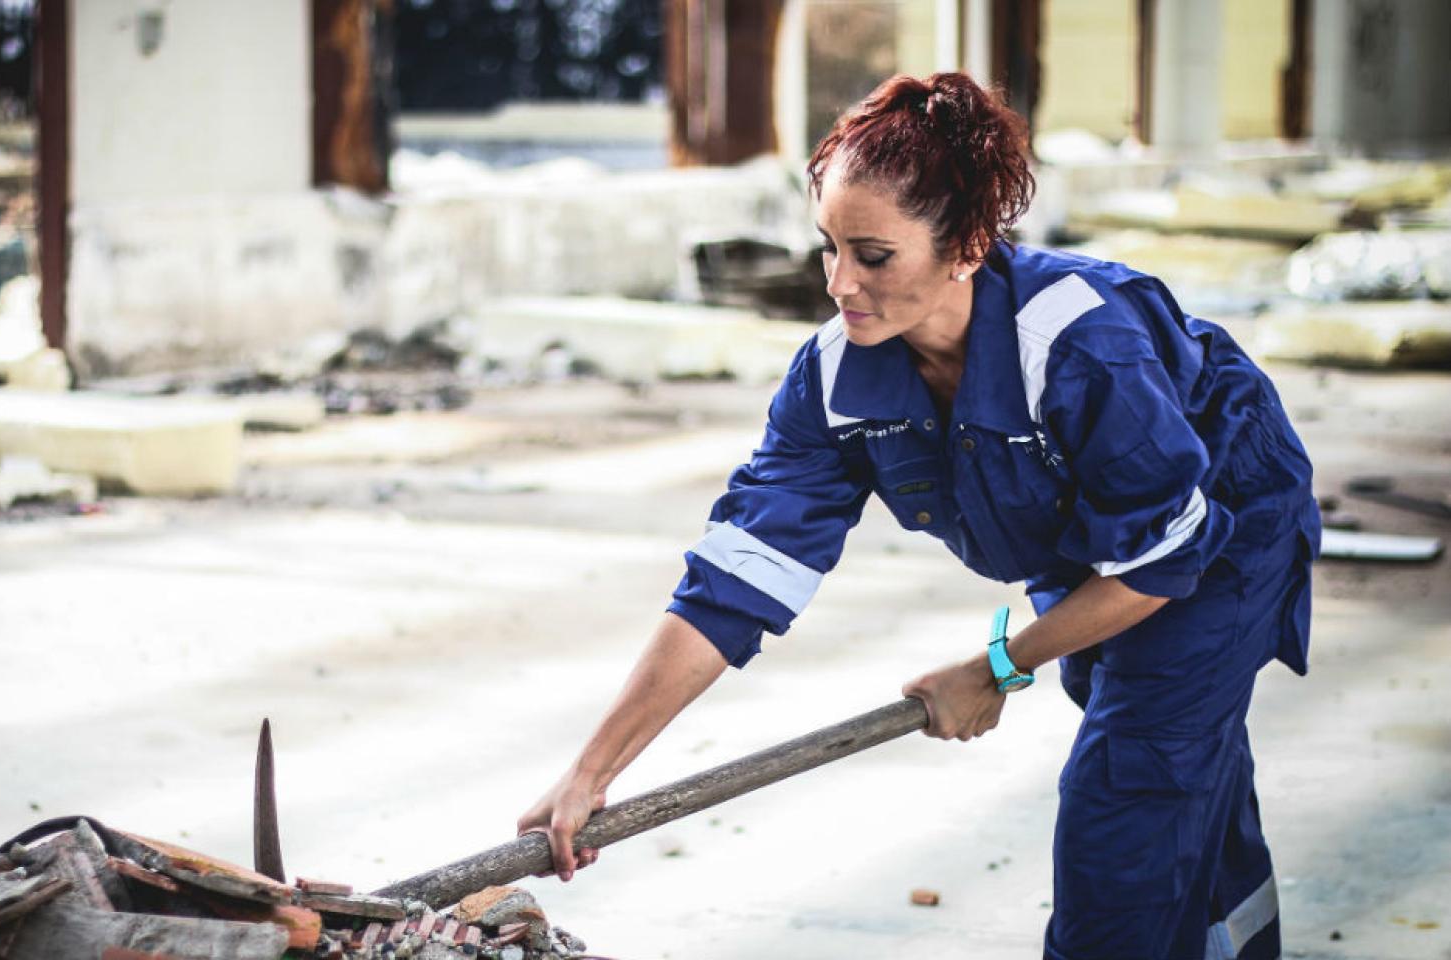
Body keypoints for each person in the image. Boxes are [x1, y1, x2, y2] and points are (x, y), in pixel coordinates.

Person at [516, 71, 1319, 959]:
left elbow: (1163, 560)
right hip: (1085, 535)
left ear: (969, 247)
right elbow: (734, 581)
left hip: (1222, 528)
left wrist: (996, 667)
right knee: (1172, 745)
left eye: (873, 254)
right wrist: (592, 771)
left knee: (1131, 785)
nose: (839, 284)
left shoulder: (1078, 344)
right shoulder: (835, 376)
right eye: (827, 246)